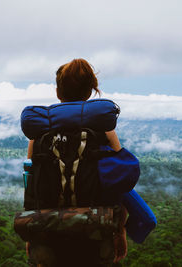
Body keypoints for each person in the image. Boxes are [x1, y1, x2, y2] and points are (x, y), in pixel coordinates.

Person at [25, 58, 127, 266]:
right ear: (90, 92)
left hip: (49, 234)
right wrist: (120, 230)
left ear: (58, 92)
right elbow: (119, 183)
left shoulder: (39, 132)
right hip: (96, 234)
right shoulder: (105, 130)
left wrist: (30, 233)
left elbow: (31, 186)